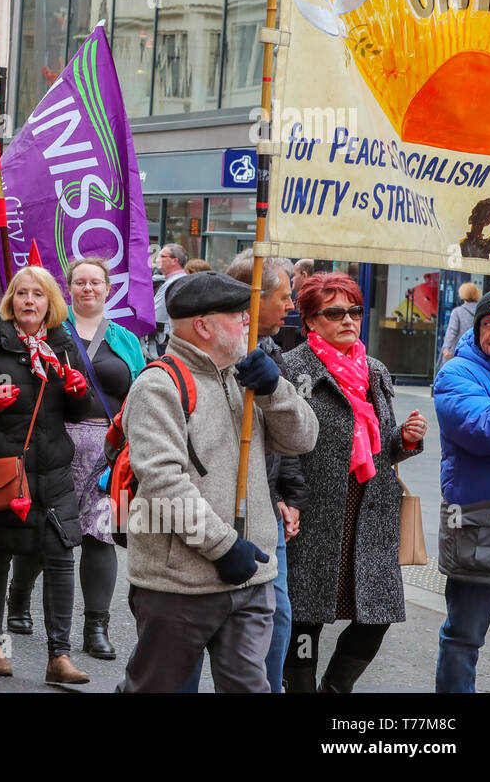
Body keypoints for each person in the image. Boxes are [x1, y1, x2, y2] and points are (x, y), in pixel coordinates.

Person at [118, 271, 319, 692]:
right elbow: (163, 483)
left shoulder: (245, 376)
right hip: (180, 583)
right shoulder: (158, 386)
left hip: (254, 577)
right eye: (237, 315)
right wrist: (223, 546)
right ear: (204, 326)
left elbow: (303, 440)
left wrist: (274, 391)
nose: (249, 322)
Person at [280, 271, 426, 693]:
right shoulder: (292, 369)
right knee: (306, 620)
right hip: (315, 513)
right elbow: (278, 447)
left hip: (370, 513)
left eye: (355, 311)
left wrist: (406, 440)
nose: (348, 320)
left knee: (375, 618)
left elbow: (382, 449)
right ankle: (302, 687)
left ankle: (335, 688)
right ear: (309, 320)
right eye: (335, 312)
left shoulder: (374, 370)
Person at [0, 266, 92, 685]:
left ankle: (59, 656)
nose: (29, 301)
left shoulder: (64, 346)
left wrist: (78, 393)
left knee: (61, 556)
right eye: (22, 294)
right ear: (10, 301)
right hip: (3, 471)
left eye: (38, 294)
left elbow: (76, 413)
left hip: (52, 472)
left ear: (51, 303)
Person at [5, 258, 146, 661]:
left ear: (107, 289)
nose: (88, 288)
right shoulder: (50, 334)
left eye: (95, 282)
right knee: (47, 533)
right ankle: (19, 598)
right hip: (55, 445)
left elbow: (141, 394)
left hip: (109, 449)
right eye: (80, 282)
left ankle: (95, 627)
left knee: (100, 535)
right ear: (68, 289)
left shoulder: (126, 340)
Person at [180, 250, 306, 693]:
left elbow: (294, 438)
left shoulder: (270, 353)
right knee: (186, 634)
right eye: (283, 295)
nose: (291, 304)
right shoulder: (187, 368)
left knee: (273, 624)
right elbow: (168, 477)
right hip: (203, 518)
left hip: (263, 512)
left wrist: (288, 494)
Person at [433, 286, 490, 692]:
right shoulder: (457, 373)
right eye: (488, 324)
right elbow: (483, 430)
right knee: (464, 638)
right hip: (481, 526)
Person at [150, 243, 187, 356]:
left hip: (164, 343)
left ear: (174, 261)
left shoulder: (170, 284)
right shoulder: (183, 280)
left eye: (162, 256)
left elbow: (154, 316)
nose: (157, 259)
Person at [439, 282, 482, 374]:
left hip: (460, 351)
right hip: (477, 351)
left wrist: (446, 348)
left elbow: (452, 331)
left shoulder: (458, 311)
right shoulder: (481, 311)